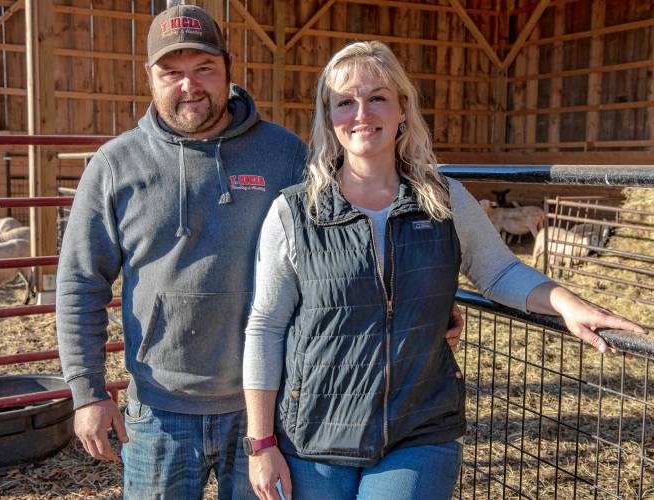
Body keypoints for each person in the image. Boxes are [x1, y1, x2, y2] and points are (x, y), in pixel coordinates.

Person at [56, 5, 464, 498]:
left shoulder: (285, 154)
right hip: (160, 411)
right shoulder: (115, 166)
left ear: (229, 67)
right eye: (172, 73)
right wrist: (88, 391)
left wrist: (421, 302)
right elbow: (81, 281)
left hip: (269, 411)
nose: (189, 86)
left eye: (204, 69)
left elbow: (347, 242)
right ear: (150, 77)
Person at [242, 41, 647, 500]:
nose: (361, 113)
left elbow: (498, 273)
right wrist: (262, 442)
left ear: (402, 109)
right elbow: (266, 326)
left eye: (377, 97)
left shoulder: (443, 199)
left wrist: (567, 304)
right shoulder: (295, 212)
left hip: (419, 426)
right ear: (328, 116)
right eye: (344, 102)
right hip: (314, 432)